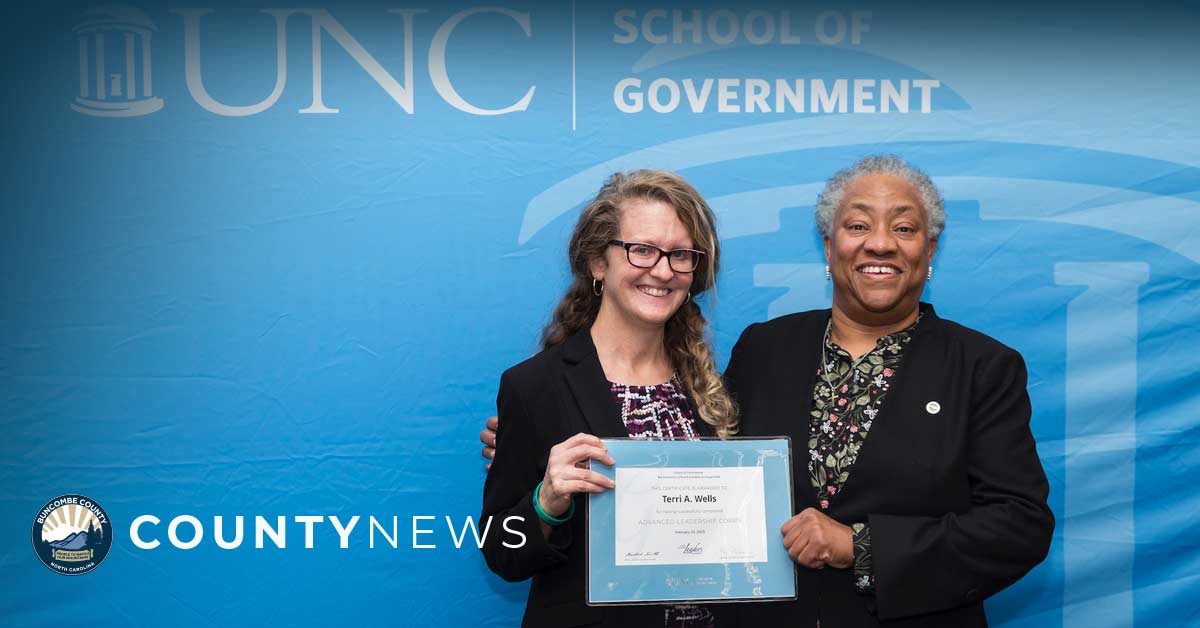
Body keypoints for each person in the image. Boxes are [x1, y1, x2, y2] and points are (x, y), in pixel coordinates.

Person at [483, 155, 1054, 627]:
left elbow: (1020, 525)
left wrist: (861, 545)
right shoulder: (765, 350)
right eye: (858, 226)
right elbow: (503, 539)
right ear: (828, 250)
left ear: (929, 253)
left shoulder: (983, 367)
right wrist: (542, 491)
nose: (880, 244)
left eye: (904, 228)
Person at [480, 170, 738, 627]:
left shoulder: (715, 392)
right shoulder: (535, 387)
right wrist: (546, 500)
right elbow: (501, 551)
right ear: (599, 262)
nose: (662, 270)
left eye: (680, 255)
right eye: (641, 250)